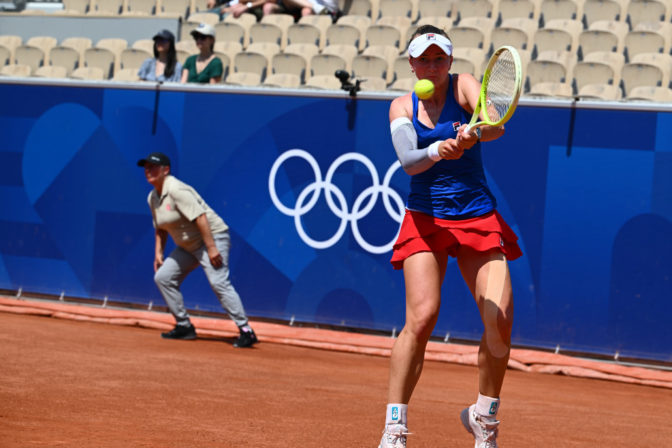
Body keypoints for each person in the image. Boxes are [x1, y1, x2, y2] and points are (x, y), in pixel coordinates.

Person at [378, 25, 522, 448]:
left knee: (500, 322)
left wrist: (474, 131)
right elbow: (408, 161)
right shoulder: (400, 107)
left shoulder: (466, 87)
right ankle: (394, 428)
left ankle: (484, 419)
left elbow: (496, 125)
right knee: (421, 320)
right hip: (426, 218)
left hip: (476, 215)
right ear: (411, 63)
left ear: (450, 62)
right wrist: (439, 148)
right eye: (424, 58)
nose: (433, 66)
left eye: (440, 58)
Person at [138, 152, 258, 348]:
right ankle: (184, 326)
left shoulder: (177, 189)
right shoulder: (152, 197)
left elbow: (201, 218)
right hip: (188, 246)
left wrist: (211, 248)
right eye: (146, 167)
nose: (148, 170)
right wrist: (158, 253)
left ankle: (246, 330)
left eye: (153, 166)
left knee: (219, 282)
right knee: (163, 278)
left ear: (165, 170)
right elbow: (160, 227)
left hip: (212, 237)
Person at [262, 0, 338, 18]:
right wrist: (250, 5)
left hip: (328, 9)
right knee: (268, 7)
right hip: (314, 7)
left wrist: (250, 5)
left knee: (306, 11)